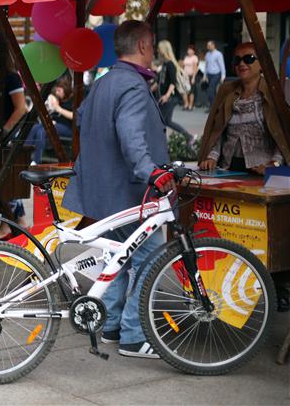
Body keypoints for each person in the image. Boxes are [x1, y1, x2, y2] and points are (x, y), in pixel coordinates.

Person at [63, 20, 174, 359]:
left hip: (104, 189)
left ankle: (110, 325)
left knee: (118, 258)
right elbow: (131, 138)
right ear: (143, 46)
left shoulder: (106, 80)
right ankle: (134, 335)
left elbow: (81, 118)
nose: (153, 51)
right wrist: (151, 172)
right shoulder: (133, 86)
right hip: (132, 191)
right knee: (147, 259)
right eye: (152, 45)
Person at [198, 43, 289, 174]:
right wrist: (212, 157)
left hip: (264, 172)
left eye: (249, 58)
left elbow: (283, 135)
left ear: (261, 64)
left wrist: (274, 164)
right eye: (237, 60)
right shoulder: (226, 90)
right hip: (229, 170)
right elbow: (218, 130)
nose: (242, 64)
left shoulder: (273, 92)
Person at [0, 38, 30, 240]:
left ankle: (5, 225)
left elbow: (21, 108)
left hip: (5, 138)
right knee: (5, 179)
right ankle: (20, 222)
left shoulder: (11, 78)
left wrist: (5, 130)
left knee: (5, 180)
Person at [26, 77, 73, 164]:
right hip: (55, 124)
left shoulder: (71, 100)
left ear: (65, 89)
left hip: (67, 127)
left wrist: (58, 108)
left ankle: (36, 161)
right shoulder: (58, 98)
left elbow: (74, 116)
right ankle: (25, 154)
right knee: (34, 127)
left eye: (59, 90)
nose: (57, 92)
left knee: (42, 131)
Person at [156, 40, 193, 142]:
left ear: (163, 50)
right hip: (165, 97)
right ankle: (189, 136)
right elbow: (160, 82)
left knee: (159, 122)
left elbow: (173, 82)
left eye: (159, 48)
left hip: (170, 98)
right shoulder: (164, 64)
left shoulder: (170, 64)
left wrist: (166, 96)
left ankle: (160, 146)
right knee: (167, 121)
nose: (157, 50)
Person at [204, 40, 226, 112]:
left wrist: (223, 76)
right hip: (209, 74)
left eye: (209, 45)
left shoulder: (218, 54)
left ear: (213, 45)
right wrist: (205, 75)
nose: (208, 47)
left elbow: (222, 65)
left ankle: (213, 108)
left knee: (211, 89)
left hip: (216, 74)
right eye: (207, 46)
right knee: (211, 91)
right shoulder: (207, 54)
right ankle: (212, 107)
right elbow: (206, 66)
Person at [181, 44, 199, 110]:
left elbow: (195, 68)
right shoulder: (186, 57)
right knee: (185, 90)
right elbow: (183, 66)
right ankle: (186, 104)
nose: (189, 51)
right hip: (185, 76)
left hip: (191, 76)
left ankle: (190, 105)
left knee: (191, 91)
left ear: (193, 51)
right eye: (188, 50)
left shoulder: (195, 57)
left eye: (190, 50)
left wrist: (193, 77)